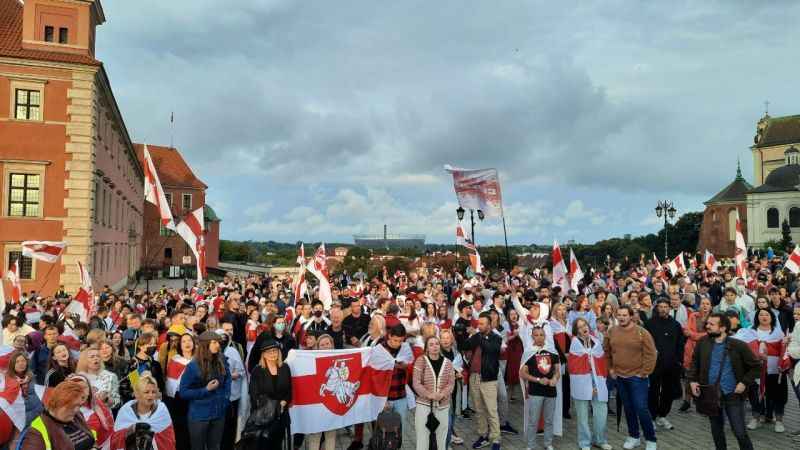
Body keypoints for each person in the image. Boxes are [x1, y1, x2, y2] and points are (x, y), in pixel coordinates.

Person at [688, 313, 761, 450]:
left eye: (711, 324)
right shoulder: (702, 343)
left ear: (722, 328)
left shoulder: (738, 345)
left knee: (739, 432)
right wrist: (692, 381)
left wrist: (744, 382)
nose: (707, 326)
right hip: (710, 394)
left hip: (733, 394)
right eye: (707, 323)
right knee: (717, 431)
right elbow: (694, 364)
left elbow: (756, 366)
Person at [605, 305, 658, 450]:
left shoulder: (642, 332)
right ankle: (634, 436)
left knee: (641, 408)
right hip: (620, 377)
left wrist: (645, 371)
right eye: (619, 315)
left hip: (637, 378)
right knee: (628, 408)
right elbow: (607, 351)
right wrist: (610, 368)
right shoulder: (612, 331)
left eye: (624, 315)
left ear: (631, 316)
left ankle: (651, 439)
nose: (622, 317)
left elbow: (651, 353)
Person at [179, 330, 232, 450]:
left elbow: (227, 380)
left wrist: (225, 399)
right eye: (214, 342)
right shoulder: (193, 366)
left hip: (218, 414)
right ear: (205, 345)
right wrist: (205, 390)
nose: (217, 345)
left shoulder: (221, 360)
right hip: (199, 416)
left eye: (218, 342)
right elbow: (183, 392)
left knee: (215, 447)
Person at [13, 378, 95, 450]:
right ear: (58, 403)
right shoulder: (36, 431)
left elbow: (90, 438)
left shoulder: (77, 415)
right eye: (72, 406)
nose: (76, 410)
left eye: (79, 405)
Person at [569, 317, 612, 450]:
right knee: (582, 415)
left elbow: (601, 362)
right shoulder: (575, 344)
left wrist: (597, 383)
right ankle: (584, 442)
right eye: (580, 327)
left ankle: (600, 440)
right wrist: (588, 387)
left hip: (598, 380)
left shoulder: (596, 342)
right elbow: (574, 367)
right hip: (582, 382)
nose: (584, 328)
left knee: (601, 412)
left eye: (585, 325)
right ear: (576, 331)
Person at [464, 311, 503, 450]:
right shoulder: (477, 336)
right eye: (478, 323)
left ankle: (496, 438)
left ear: (489, 325)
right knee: (479, 410)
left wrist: (477, 335)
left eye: (482, 324)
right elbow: (465, 346)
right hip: (474, 377)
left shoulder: (495, 338)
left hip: (488, 379)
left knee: (491, 410)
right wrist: (464, 335)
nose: (479, 326)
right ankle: (483, 435)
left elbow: (491, 349)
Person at [644, 297, 684, 430]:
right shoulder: (649, 324)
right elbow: (645, 344)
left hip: (671, 365)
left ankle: (663, 416)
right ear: (657, 308)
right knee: (653, 391)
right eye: (660, 307)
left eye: (665, 307)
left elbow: (680, 344)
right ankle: (652, 417)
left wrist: (679, 361)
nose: (663, 309)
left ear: (669, 308)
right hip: (654, 365)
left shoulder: (676, 325)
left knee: (668, 391)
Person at [112, 372, 177, 450]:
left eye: (153, 392)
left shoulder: (161, 410)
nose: (151, 395)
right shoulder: (125, 411)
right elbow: (115, 439)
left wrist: (149, 438)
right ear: (137, 394)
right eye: (146, 392)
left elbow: (168, 441)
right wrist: (131, 430)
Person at [520, 326, 560, 450]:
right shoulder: (529, 352)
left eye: (541, 335)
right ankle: (530, 445)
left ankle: (548, 444)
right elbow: (522, 373)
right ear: (532, 336)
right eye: (536, 335)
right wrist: (537, 380)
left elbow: (557, 370)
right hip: (535, 392)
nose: (539, 337)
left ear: (545, 336)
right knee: (533, 421)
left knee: (549, 420)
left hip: (550, 391)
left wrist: (554, 379)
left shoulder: (552, 351)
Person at [413, 335, 455, 450]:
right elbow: (416, 383)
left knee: (441, 439)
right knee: (422, 439)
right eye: (431, 345)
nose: (434, 347)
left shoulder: (448, 363)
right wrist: (429, 394)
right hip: (424, 405)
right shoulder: (421, 361)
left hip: (443, 406)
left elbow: (451, 383)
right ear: (427, 348)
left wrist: (442, 394)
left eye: (436, 344)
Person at [248, 338, 292, 448]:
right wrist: (276, 405)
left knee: (278, 445)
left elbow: (289, 390)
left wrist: (284, 401)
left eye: (275, 350)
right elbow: (254, 395)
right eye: (269, 351)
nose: (272, 353)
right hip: (263, 417)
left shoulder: (285, 368)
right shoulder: (257, 371)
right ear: (263, 354)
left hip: (281, 416)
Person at [750, 307, 787, 432]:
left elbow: (783, 351)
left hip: (775, 371)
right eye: (761, 315)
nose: (764, 317)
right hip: (757, 371)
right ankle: (756, 418)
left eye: (767, 314)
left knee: (778, 395)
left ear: (772, 317)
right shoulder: (751, 331)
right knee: (756, 395)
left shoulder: (778, 332)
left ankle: (779, 421)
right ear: (757, 317)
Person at [307, 334, 339, 450]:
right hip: (317, 405)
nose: (325, 347)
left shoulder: (338, 360)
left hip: (332, 404)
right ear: (318, 347)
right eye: (322, 345)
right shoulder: (312, 361)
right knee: (315, 437)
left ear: (332, 345)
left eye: (327, 344)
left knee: (331, 436)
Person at [681, 297, 712, 412]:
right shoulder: (693, 316)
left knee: (705, 376)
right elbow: (686, 331)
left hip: (706, 349)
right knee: (689, 375)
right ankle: (687, 401)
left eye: (707, 304)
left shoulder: (713, 318)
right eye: (703, 303)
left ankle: (704, 402)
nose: (705, 306)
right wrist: (700, 336)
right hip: (691, 349)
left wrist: (694, 335)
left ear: (711, 306)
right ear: (699, 305)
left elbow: (709, 334)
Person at [165, 333, 195, 450]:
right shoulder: (175, 360)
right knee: (181, 430)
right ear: (180, 345)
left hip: (196, 398)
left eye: (189, 340)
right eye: (184, 341)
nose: (187, 343)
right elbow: (171, 384)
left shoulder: (199, 359)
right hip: (179, 400)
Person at [120, 332, 165, 404]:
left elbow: (161, 384)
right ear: (141, 346)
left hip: (153, 402)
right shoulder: (133, 364)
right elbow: (128, 386)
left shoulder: (155, 364)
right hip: (136, 403)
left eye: (154, 344)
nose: (153, 346)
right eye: (150, 344)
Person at [75, 345, 121, 410]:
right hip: (85, 416)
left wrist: (107, 399)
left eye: (98, 356)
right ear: (85, 360)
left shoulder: (111, 376)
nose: (96, 358)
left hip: (105, 416)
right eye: (92, 357)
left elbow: (117, 402)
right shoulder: (79, 378)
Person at [6, 350, 43, 427]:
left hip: (38, 413)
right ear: (12, 364)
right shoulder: (7, 380)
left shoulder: (31, 376)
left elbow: (37, 394)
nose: (21, 364)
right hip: (22, 419)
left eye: (23, 361)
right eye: (17, 362)